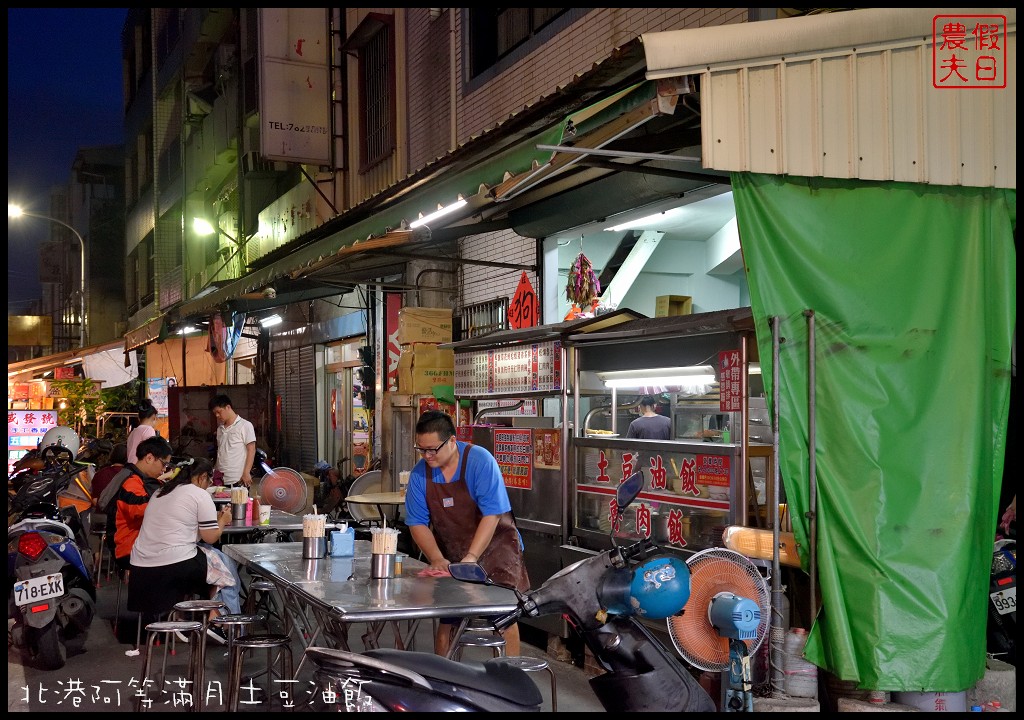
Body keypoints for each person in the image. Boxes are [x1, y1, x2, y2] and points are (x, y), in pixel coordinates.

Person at [404, 410, 530, 657]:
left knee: (503, 617)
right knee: (449, 618)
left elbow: (492, 515)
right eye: (421, 450)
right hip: (453, 555)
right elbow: (417, 522)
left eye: (433, 449)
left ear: (451, 441)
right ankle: (445, 678)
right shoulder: (420, 474)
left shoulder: (479, 461)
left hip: (497, 551)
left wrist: (472, 556)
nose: (427, 456)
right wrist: (437, 558)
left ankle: (511, 677)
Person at [129, 457, 235, 641]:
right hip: (174, 566)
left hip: (139, 566)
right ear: (202, 477)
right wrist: (223, 521)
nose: (209, 485)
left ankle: (184, 616)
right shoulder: (199, 495)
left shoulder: (160, 492)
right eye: (209, 480)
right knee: (222, 567)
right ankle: (218, 622)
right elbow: (210, 537)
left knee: (207, 561)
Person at [109, 436, 174, 571]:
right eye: (164, 464)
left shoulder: (140, 478)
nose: (164, 470)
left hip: (143, 543)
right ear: (149, 458)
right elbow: (142, 510)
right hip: (128, 548)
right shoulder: (131, 481)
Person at [209, 394, 257, 488]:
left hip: (238, 479)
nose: (217, 415)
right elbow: (220, 452)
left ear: (228, 407)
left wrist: (246, 473)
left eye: (219, 412)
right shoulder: (220, 429)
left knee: (239, 502)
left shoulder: (245, 425)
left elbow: (251, 450)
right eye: (215, 413)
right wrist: (214, 472)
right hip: (221, 480)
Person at [89, 442, 128, 533]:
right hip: (120, 520)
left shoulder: (100, 473)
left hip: (99, 516)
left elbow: (95, 500)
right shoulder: (130, 475)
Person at [126, 398, 160, 464]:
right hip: (140, 468)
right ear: (154, 417)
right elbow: (151, 452)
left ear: (139, 418)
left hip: (130, 467)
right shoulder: (148, 430)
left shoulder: (133, 432)